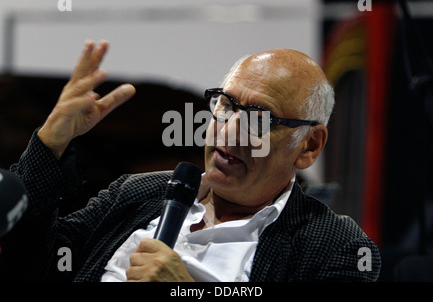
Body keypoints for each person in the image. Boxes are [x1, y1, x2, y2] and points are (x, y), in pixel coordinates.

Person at [0, 40, 381, 282]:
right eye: (225, 105)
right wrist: (52, 139)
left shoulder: (335, 246)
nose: (228, 131)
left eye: (259, 118)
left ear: (309, 146)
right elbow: (32, 265)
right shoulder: (138, 192)